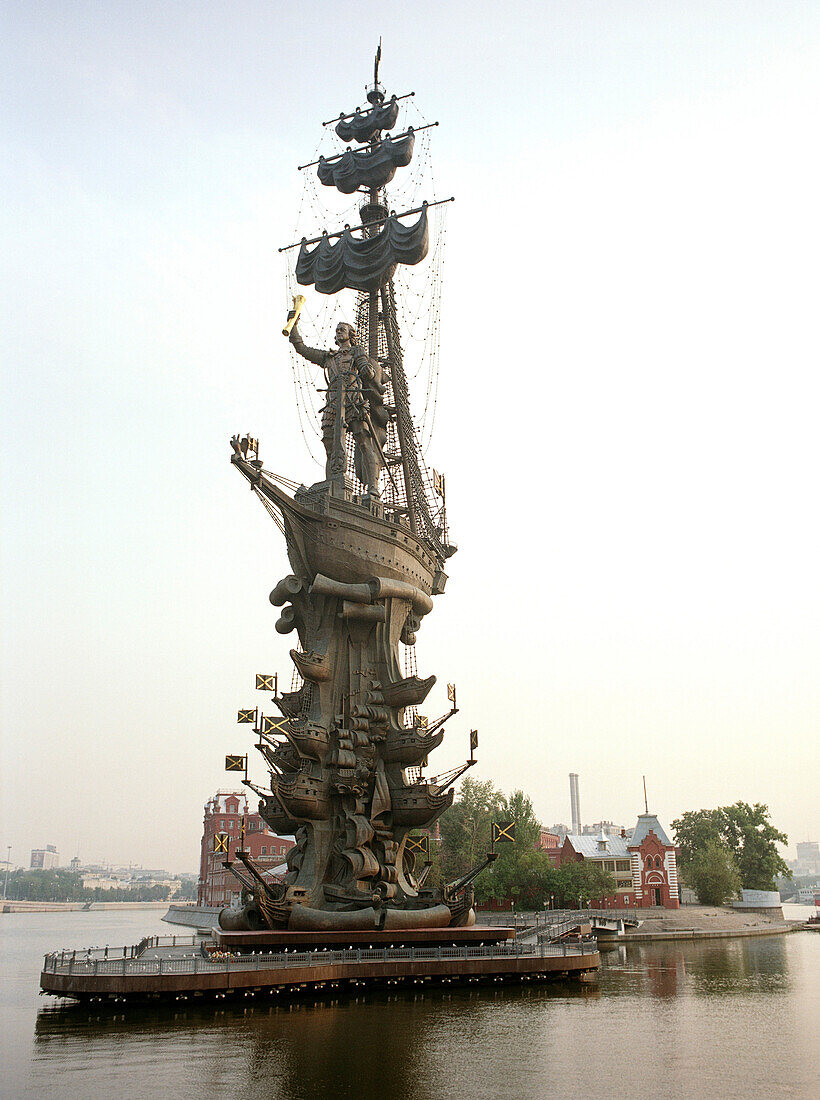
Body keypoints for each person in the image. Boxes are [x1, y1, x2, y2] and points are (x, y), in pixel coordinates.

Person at [288, 317, 388, 498]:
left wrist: (366, 369)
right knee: (329, 444)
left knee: (364, 441)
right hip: (333, 402)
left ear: (350, 334)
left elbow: (368, 371)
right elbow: (302, 348)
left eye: (343, 329)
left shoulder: (357, 352)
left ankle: (373, 487)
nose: (339, 331)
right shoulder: (328, 357)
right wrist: (293, 325)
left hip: (353, 401)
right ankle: (332, 485)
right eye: (337, 329)